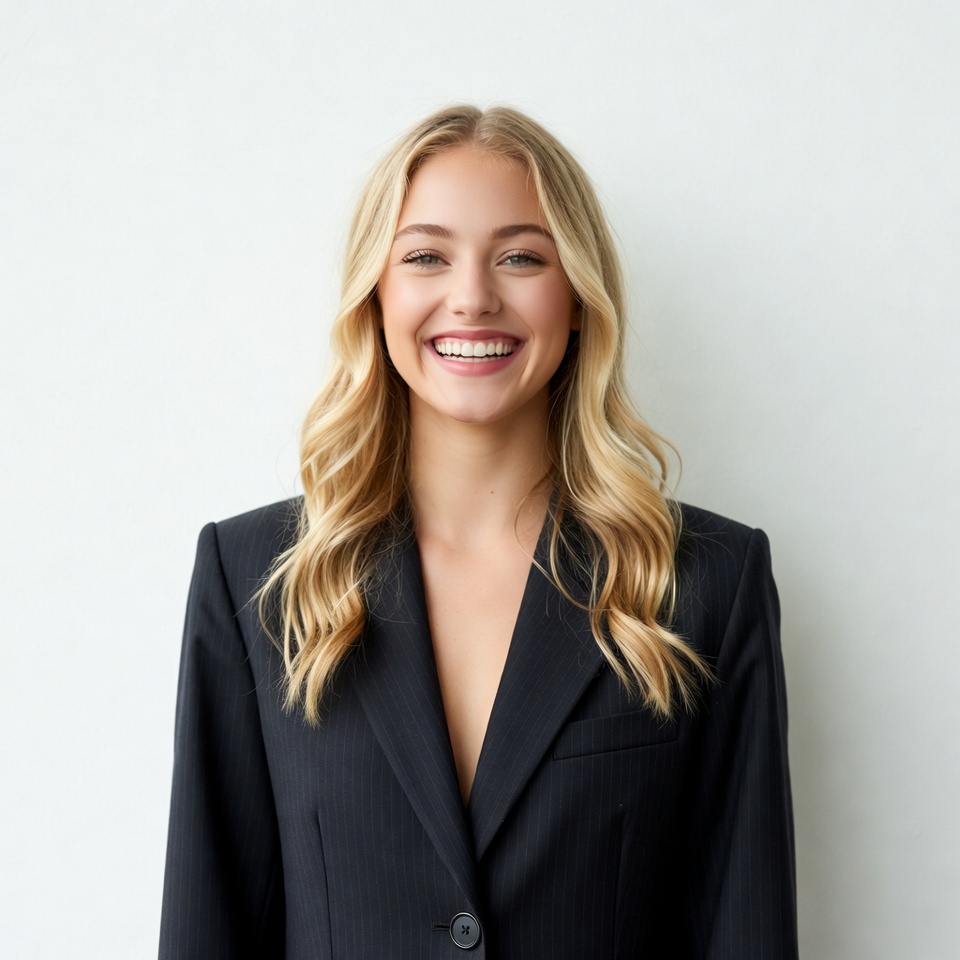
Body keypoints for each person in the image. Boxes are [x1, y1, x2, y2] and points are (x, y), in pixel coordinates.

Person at [160, 105, 798, 959]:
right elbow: (210, 925)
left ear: (576, 297)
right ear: (375, 295)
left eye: (521, 257)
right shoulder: (252, 582)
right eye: (426, 256)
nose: (472, 297)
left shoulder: (707, 583)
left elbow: (745, 927)